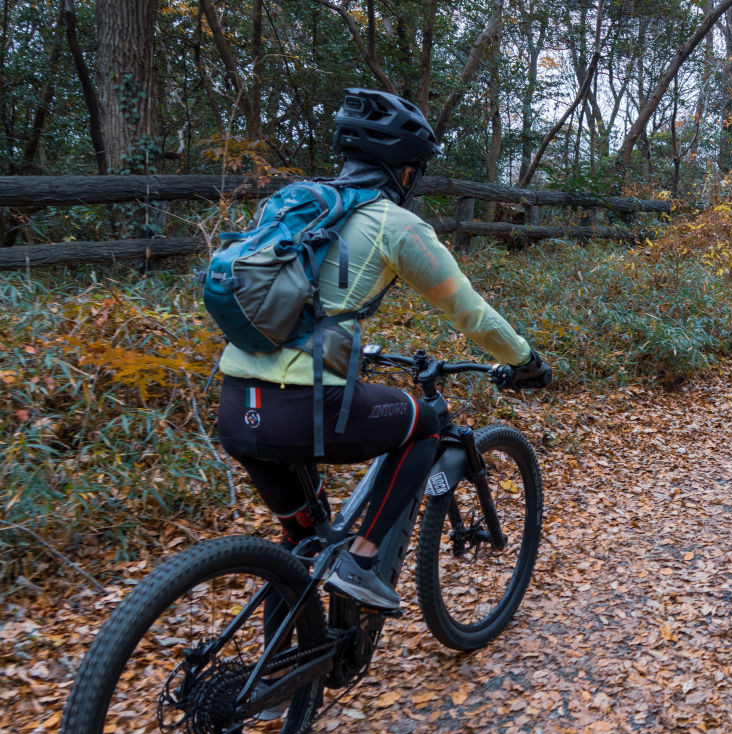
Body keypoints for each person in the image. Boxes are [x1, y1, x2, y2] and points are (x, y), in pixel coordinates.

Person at [216, 88, 551, 611]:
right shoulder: (395, 224)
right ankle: (362, 559)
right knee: (424, 423)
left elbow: (295, 305)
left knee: (299, 546)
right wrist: (524, 360)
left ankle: (283, 679)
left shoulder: (297, 205)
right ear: (404, 170)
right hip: (307, 408)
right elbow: (471, 312)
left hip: (238, 405)